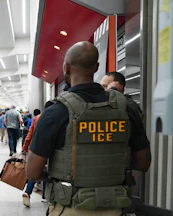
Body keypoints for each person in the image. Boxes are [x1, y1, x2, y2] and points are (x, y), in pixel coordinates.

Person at [27, 41, 151, 216]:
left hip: (69, 208)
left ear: (66, 68)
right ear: (96, 67)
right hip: (116, 208)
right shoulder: (126, 108)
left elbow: (32, 172)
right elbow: (143, 163)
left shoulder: (55, 112)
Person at [21, 108, 46, 207]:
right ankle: (44, 196)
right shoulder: (55, 117)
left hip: (35, 148)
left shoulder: (36, 119)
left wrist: (24, 148)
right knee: (47, 171)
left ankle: (27, 192)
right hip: (49, 147)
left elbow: (29, 135)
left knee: (34, 170)